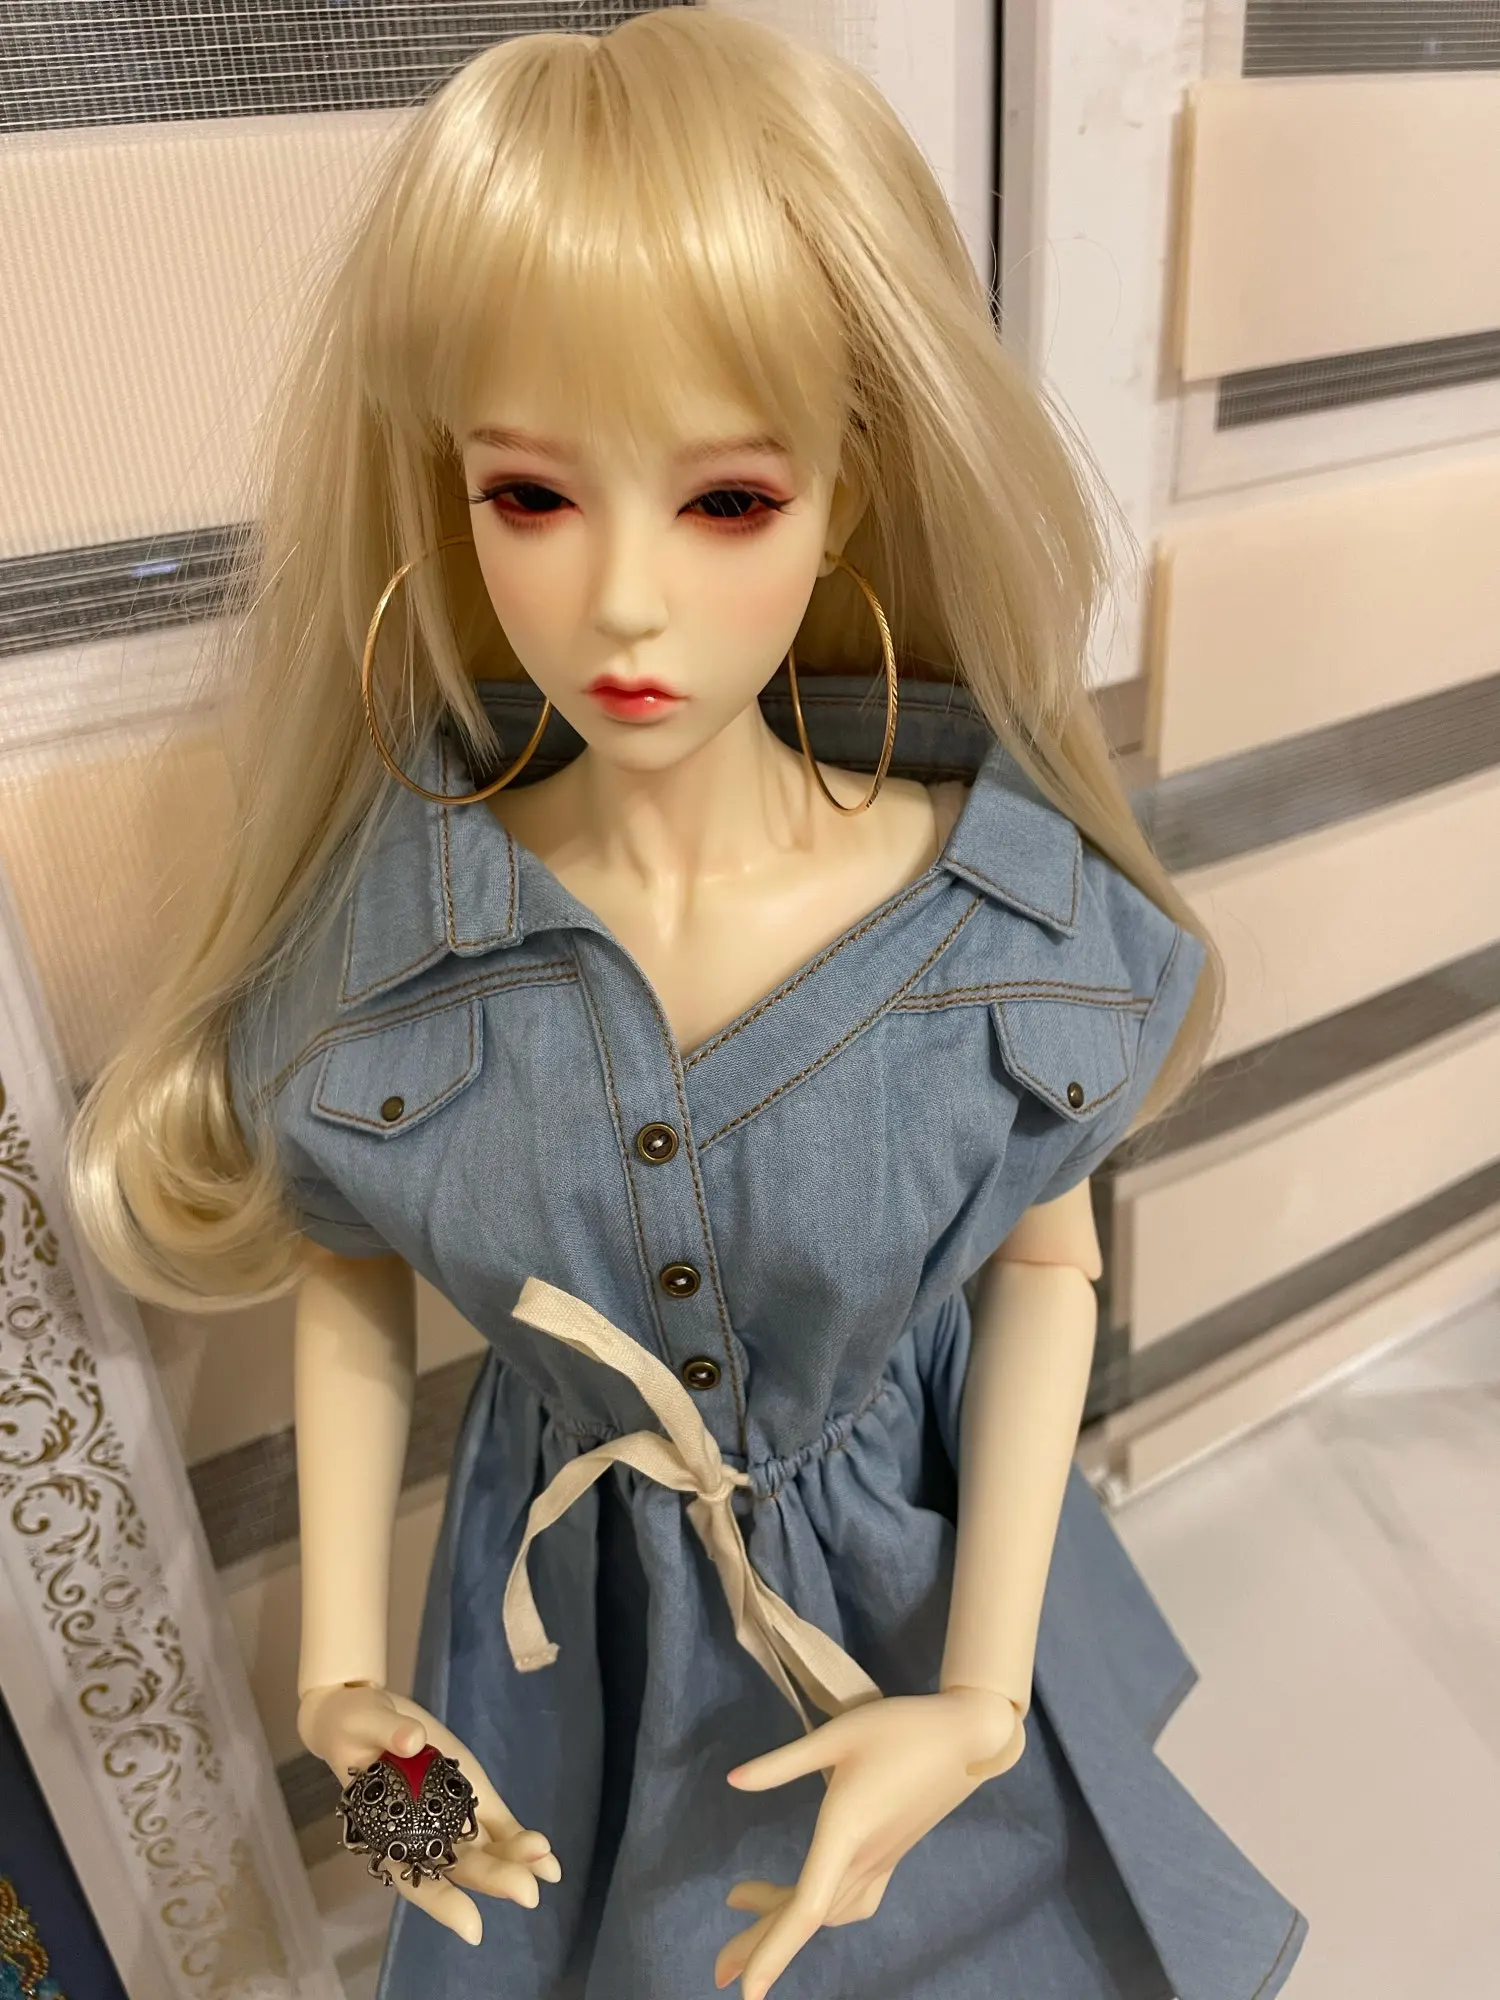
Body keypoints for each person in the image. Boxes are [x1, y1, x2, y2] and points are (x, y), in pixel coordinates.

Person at [65, 12, 1305, 1998]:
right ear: (449, 494)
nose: (622, 602)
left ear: (846, 490)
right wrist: (346, 1702)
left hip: (917, 1598)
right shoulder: (396, 941)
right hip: (570, 1655)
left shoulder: (989, 918)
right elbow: (349, 1283)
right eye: (532, 497)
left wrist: (983, 1698)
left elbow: (1045, 1271)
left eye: (724, 500)